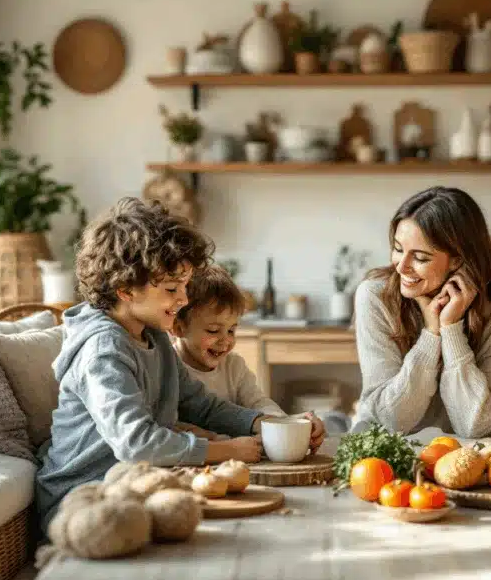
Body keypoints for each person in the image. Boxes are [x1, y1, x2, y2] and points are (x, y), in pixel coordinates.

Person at [35, 197, 323, 531]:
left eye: (185, 286)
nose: (184, 299)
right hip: (84, 498)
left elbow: (202, 406)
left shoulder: (153, 335)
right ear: (126, 289)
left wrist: (268, 424)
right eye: (173, 288)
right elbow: (136, 442)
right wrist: (221, 451)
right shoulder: (103, 349)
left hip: (136, 484)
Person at [352, 186, 491, 438]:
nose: (402, 267)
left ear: (458, 260)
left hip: (479, 456)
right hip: (388, 453)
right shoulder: (375, 296)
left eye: (420, 257)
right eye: (397, 248)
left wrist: (451, 330)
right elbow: (393, 420)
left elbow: (475, 424)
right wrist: (431, 334)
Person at [171, 264, 287, 442]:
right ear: (179, 328)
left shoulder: (234, 366)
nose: (225, 341)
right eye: (213, 331)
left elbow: (258, 402)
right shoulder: (166, 366)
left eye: (231, 330)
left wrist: (282, 423)